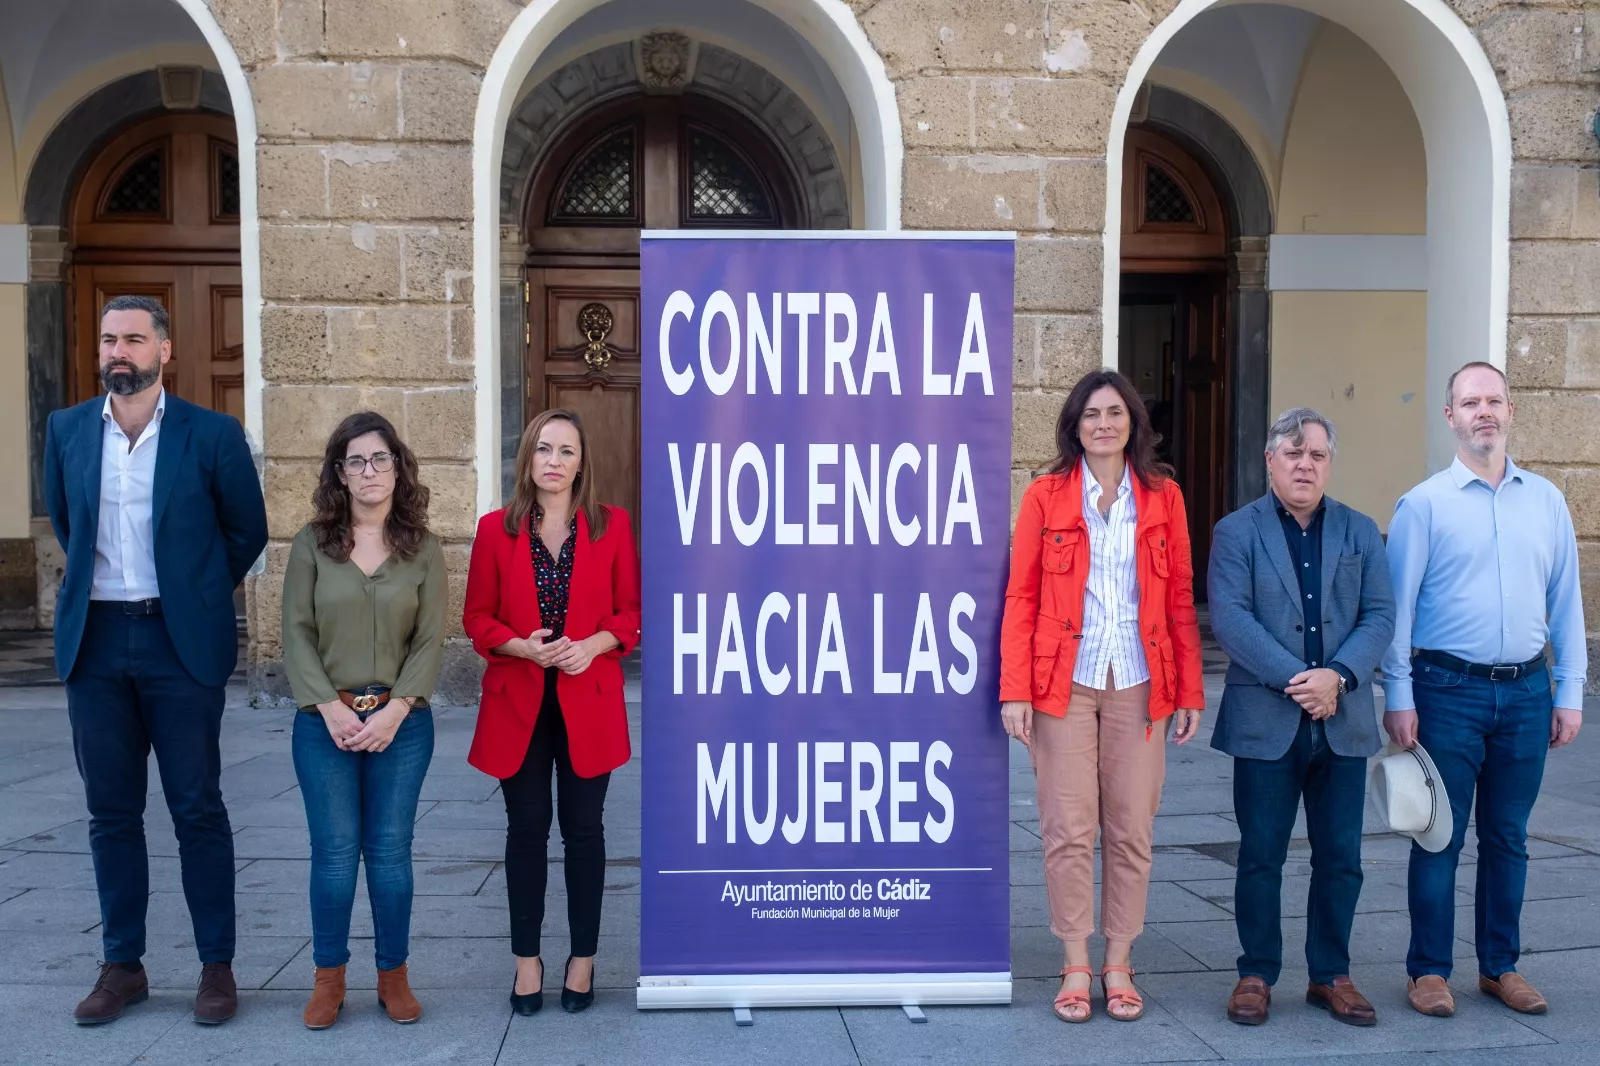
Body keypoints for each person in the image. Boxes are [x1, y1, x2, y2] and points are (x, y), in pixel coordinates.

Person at [43, 295, 268, 1026]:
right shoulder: (69, 430)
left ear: (164, 350)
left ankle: (216, 967)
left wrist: (196, 593)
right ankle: (123, 965)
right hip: (98, 640)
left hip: (179, 642)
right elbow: (69, 522)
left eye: (134, 339)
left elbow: (247, 530)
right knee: (111, 812)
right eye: (109, 339)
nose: (119, 352)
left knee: (197, 808)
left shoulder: (211, 433)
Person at [999, 369, 1205, 1023]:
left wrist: (1190, 689)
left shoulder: (1163, 497)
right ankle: (1074, 963)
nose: (1104, 424)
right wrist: (1015, 690)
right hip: (1064, 682)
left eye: (1116, 412)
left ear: (1134, 423)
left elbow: (1178, 598)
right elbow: (1022, 596)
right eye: (1091, 414)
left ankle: (1118, 962)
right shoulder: (1046, 496)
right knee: (1066, 829)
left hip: (1141, 681)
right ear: (1075, 426)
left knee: (1131, 829)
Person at [1382, 362, 1586, 1019]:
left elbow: (1567, 604)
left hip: (1526, 691)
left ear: (1511, 410)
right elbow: (1398, 611)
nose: (1484, 412)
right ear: (1450, 417)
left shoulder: (1547, 501)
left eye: (1494, 400)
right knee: (1439, 834)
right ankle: (1429, 972)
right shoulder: (1423, 505)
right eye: (1470, 402)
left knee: (1508, 836)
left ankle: (1501, 967)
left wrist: (1569, 689)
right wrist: (1399, 695)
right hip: (1447, 691)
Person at [1207, 408, 1395, 1027]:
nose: (1304, 465)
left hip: (1342, 721)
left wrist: (1337, 677)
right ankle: (1256, 972)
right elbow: (1232, 619)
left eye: (1315, 455)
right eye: (1292, 454)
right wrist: (1301, 681)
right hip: (1267, 719)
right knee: (1261, 854)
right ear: (1270, 461)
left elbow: (1380, 617)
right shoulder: (1237, 532)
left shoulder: (1362, 531)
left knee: (1341, 857)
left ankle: (1330, 974)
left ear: (1328, 463)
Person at [463, 409, 640, 1016]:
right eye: (544, 449)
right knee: (526, 832)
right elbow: (477, 618)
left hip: (588, 701)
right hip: (521, 703)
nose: (555, 461)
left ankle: (583, 960)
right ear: (528, 460)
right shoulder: (495, 531)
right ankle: (527, 962)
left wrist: (593, 645)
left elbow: (630, 614)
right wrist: (520, 646)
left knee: (586, 833)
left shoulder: (611, 526)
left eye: (567, 450)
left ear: (581, 462)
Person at [281, 412, 446, 1029]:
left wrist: (395, 711)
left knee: (390, 853)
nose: (370, 471)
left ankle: (393, 977)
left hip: (402, 726)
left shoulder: (423, 548)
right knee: (333, 854)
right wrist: (330, 708)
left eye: (381, 458)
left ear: (399, 469)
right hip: (324, 722)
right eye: (356, 461)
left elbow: (430, 641)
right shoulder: (312, 544)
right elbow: (295, 633)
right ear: (340, 474)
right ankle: (328, 981)